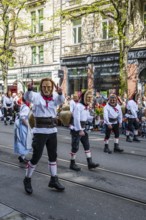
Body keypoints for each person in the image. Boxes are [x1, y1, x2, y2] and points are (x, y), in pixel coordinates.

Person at [23, 78, 65, 195]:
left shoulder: (55, 97)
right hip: (40, 132)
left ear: (52, 88)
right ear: (41, 87)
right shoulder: (36, 96)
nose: (47, 89)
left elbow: (61, 100)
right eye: (44, 87)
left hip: (52, 131)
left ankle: (54, 179)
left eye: (49, 87)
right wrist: (29, 88)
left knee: (53, 156)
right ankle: (27, 179)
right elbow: (27, 97)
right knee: (36, 157)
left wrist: (60, 92)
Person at [69, 89, 99, 171]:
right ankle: (72, 163)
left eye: (90, 98)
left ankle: (90, 163)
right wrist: (80, 130)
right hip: (76, 129)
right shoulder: (78, 106)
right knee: (75, 147)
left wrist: (94, 117)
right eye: (88, 97)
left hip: (82, 128)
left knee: (87, 145)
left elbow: (86, 117)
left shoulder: (86, 107)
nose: (89, 99)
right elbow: (76, 119)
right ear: (84, 98)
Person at [14, 96, 32, 164]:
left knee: (21, 141)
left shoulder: (22, 106)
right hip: (23, 126)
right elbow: (23, 118)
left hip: (20, 126)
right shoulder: (26, 108)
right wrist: (28, 126)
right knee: (24, 141)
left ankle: (22, 156)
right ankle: (22, 157)